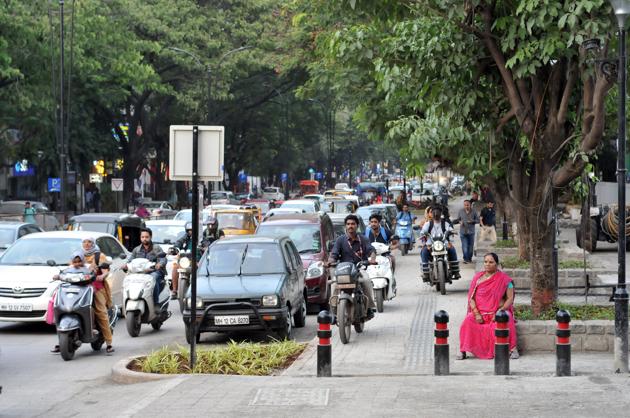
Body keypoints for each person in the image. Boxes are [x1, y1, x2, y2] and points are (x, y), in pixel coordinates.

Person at [51, 251, 114, 354]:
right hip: (75, 290)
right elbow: (63, 274)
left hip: (93, 289)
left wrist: (101, 275)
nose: (77, 264)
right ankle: (61, 342)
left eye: (79, 261)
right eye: (75, 262)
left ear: (83, 260)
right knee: (60, 306)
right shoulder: (70, 268)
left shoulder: (90, 266)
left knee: (101, 312)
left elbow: (102, 272)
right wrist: (57, 276)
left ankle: (109, 343)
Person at [458, 253, 518, 360]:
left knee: (507, 318)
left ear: (497, 264)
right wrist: (476, 313)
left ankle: (513, 349)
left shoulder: (505, 280)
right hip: (480, 314)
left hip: (498, 312)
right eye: (485, 262)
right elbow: (471, 298)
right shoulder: (477, 278)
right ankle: (463, 351)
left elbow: (510, 298)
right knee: (467, 322)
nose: (487, 264)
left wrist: (500, 312)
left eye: (491, 262)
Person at [328, 214, 377, 319]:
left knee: (366, 280)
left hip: (359, 269)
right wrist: (330, 261)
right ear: (345, 226)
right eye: (348, 224)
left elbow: (371, 250)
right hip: (343, 271)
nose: (350, 226)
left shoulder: (363, 239)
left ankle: (369, 308)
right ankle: (333, 311)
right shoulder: (340, 240)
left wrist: (372, 259)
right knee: (333, 284)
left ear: (357, 225)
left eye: (353, 224)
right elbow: (334, 254)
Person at [419, 206, 460, 282]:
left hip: (444, 244)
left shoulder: (445, 223)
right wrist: (423, 235)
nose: (436, 214)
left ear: (440, 214)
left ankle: (455, 271)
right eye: (434, 213)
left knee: (452, 250)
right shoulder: (428, 224)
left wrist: (452, 233)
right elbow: (422, 232)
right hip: (430, 245)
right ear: (432, 214)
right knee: (424, 252)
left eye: (437, 213)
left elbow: (450, 230)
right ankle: (425, 273)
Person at [125, 228, 166, 305]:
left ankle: (155, 303)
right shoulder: (136, 250)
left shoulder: (156, 248)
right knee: (128, 278)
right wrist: (126, 265)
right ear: (140, 238)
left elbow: (163, 258)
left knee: (153, 278)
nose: (144, 239)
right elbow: (130, 260)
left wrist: (160, 264)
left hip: (154, 272)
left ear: (150, 237)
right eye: (142, 237)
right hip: (140, 273)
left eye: (146, 237)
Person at [170, 223, 193, 299]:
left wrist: (204, 247)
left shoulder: (201, 238)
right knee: (175, 267)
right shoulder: (185, 238)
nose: (191, 232)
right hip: (186, 261)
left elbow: (206, 243)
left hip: (198, 261)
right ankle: (174, 291)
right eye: (189, 230)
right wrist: (175, 248)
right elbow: (179, 242)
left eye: (192, 230)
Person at [453, 199, 479, 263]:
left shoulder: (474, 211)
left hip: (471, 232)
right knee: (464, 246)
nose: (466, 206)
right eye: (465, 205)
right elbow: (458, 219)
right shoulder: (461, 211)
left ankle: (469, 258)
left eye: (467, 205)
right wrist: (459, 221)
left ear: (470, 205)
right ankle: (465, 259)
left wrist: (472, 221)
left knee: (470, 247)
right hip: (463, 232)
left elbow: (478, 220)